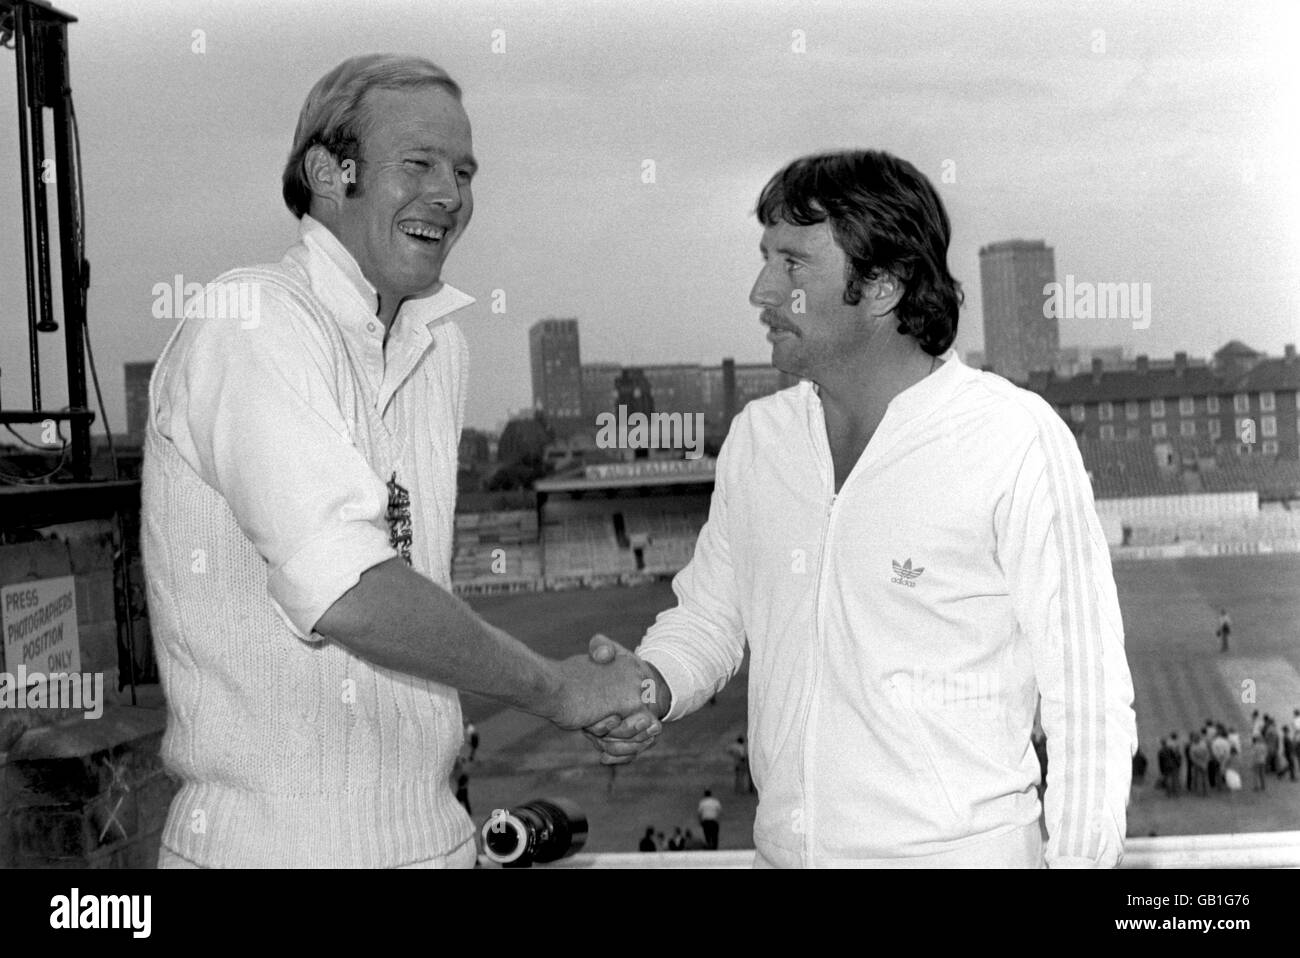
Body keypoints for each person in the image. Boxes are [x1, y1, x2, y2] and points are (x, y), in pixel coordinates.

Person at [143, 54, 655, 869]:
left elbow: (406, 575)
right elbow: (349, 589)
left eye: (463, 171)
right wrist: (558, 690)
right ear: (326, 172)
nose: (449, 195)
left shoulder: (435, 344)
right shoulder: (250, 324)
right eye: (417, 164)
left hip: (433, 837)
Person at [584, 150, 1137, 867]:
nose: (760, 290)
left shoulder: (1013, 438)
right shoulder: (760, 439)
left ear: (881, 285)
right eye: (764, 259)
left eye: (792, 264)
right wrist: (650, 685)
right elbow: (712, 617)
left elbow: (1086, 695)